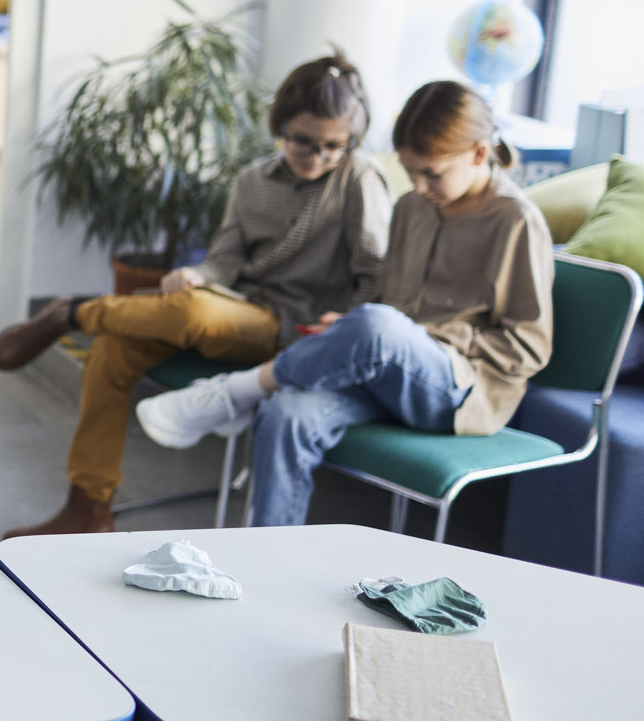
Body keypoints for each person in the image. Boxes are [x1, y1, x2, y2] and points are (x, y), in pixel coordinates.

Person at [0, 52, 391, 535]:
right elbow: (224, 259)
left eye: (333, 146)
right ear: (280, 124)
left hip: (297, 328)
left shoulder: (358, 178)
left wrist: (344, 323)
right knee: (115, 349)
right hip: (235, 306)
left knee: (192, 312)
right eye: (304, 142)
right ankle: (88, 508)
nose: (318, 156)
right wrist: (198, 274)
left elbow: (376, 275)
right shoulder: (251, 182)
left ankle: (71, 312)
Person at [136, 80, 553, 527]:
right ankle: (265, 561)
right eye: (411, 172)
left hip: (459, 390)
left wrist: (397, 333)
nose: (419, 185)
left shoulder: (516, 221)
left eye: (432, 172)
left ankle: (238, 390)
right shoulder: (414, 206)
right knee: (286, 412)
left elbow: (527, 347)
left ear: (478, 152)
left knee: (377, 326)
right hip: (388, 373)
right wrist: (350, 328)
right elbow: (389, 301)